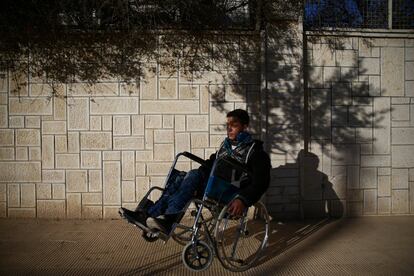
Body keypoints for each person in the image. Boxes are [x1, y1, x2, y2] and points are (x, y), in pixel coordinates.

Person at [119, 109, 271, 234]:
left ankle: (168, 218)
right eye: (227, 125)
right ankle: (148, 215)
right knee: (182, 179)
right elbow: (208, 166)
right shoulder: (225, 147)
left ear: (245, 127)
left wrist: (243, 199)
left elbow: (261, 182)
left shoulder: (256, 153)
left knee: (192, 175)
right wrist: (193, 179)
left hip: (231, 193)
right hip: (212, 186)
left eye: (234, 125)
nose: (229, 128)